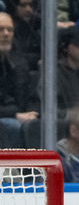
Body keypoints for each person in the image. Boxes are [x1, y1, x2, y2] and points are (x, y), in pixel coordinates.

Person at [0, 11, 38, 148]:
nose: (6, 34)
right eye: (1, 29)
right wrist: (15, 114)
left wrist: (32, 113)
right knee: (13, 126)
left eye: (9, 30)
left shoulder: (20, 64)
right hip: (8, 119)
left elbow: (31, 96)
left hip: (16, 114)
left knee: (36, 124)